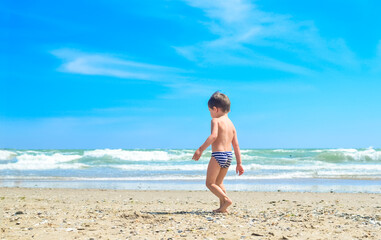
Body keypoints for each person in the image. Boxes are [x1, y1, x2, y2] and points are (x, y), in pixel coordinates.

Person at [192, 91, 244, 213]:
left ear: (215, 109)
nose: (210, 114)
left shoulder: (216, 121)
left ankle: (226, 200)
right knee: (219, 182)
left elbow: (213, 136)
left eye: (210, 111)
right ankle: (222, 208)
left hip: (218, 155)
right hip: (229, 156)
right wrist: (239, 163)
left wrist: (200, 150)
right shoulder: (231, 124)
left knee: (210, 183)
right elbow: (236, 145)